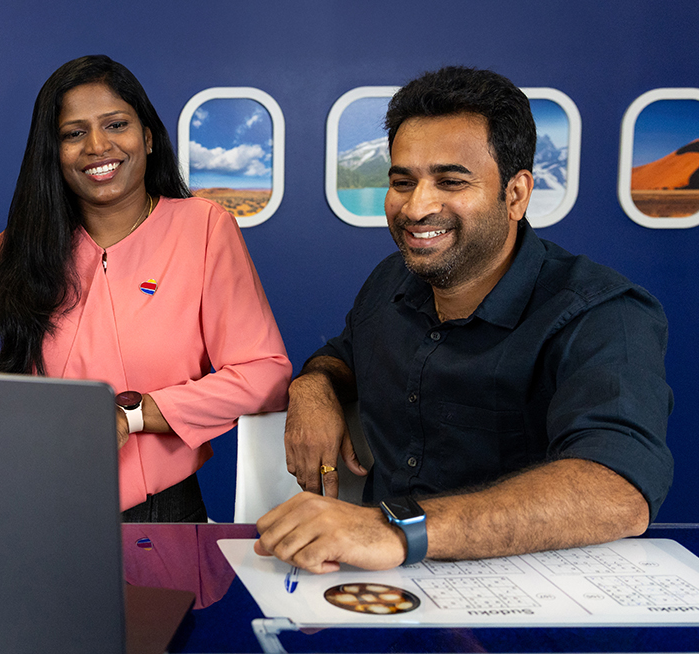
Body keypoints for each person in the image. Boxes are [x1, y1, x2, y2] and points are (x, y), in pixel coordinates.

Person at [258, 66, 672, 571]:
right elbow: (343, 356)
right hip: (379, 583)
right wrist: (314, 388)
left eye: (451, 181)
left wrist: (396, 528)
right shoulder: (391, 281)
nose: (417, 206)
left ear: (516, 195)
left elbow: (616, 489)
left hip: (537, 596)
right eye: (402, 181)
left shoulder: (602, 313)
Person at [0, 55, 291, 522]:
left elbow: (263, 373)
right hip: (27, 504)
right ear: (53, 152)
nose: (97, 145)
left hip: (159, 512)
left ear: (147, 136)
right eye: (73, 133)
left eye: (116, 124)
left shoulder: (204, 228)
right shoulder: (23, 246)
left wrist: (135, 413)